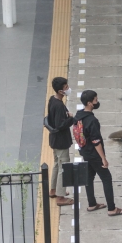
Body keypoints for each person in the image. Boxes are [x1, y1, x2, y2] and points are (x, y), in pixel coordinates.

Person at [73, 90, 122, 216]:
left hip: (84, 152)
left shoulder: (79, 115)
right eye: (95, 100)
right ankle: (112, 209)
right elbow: (96, 141)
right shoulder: (92, 120)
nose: (97, 102)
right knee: (106, 178)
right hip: (94, 154)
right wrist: (103, 158)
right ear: (89, 103)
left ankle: (92, 204)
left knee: (89, 177)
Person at [48, 77, 75, 206]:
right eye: (66, 87)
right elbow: (60, 125)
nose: (68, 89)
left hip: (54, 140)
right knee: (63, 167)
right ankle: (60, 197)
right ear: (60, 91)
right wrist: (71, 119)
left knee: (56, 165)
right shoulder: (59, 105)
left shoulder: (52, 100)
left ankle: (53, 190)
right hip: (61, 141)